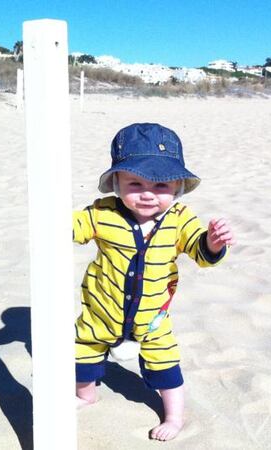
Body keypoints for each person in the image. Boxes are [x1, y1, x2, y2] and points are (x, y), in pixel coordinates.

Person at [72, 123, 235, 441]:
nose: (148, 194)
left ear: (178, 187)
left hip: (152, 317)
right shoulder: (102, 213)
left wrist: (214, 243)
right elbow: (71, 227)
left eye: (161, 186)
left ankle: (173, 416)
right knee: (83, 353)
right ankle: (85, 395)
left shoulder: (180, 219)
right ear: (116, 184)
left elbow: (200, 251)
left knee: (165, 364)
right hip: (102, 310)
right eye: (135, 183)